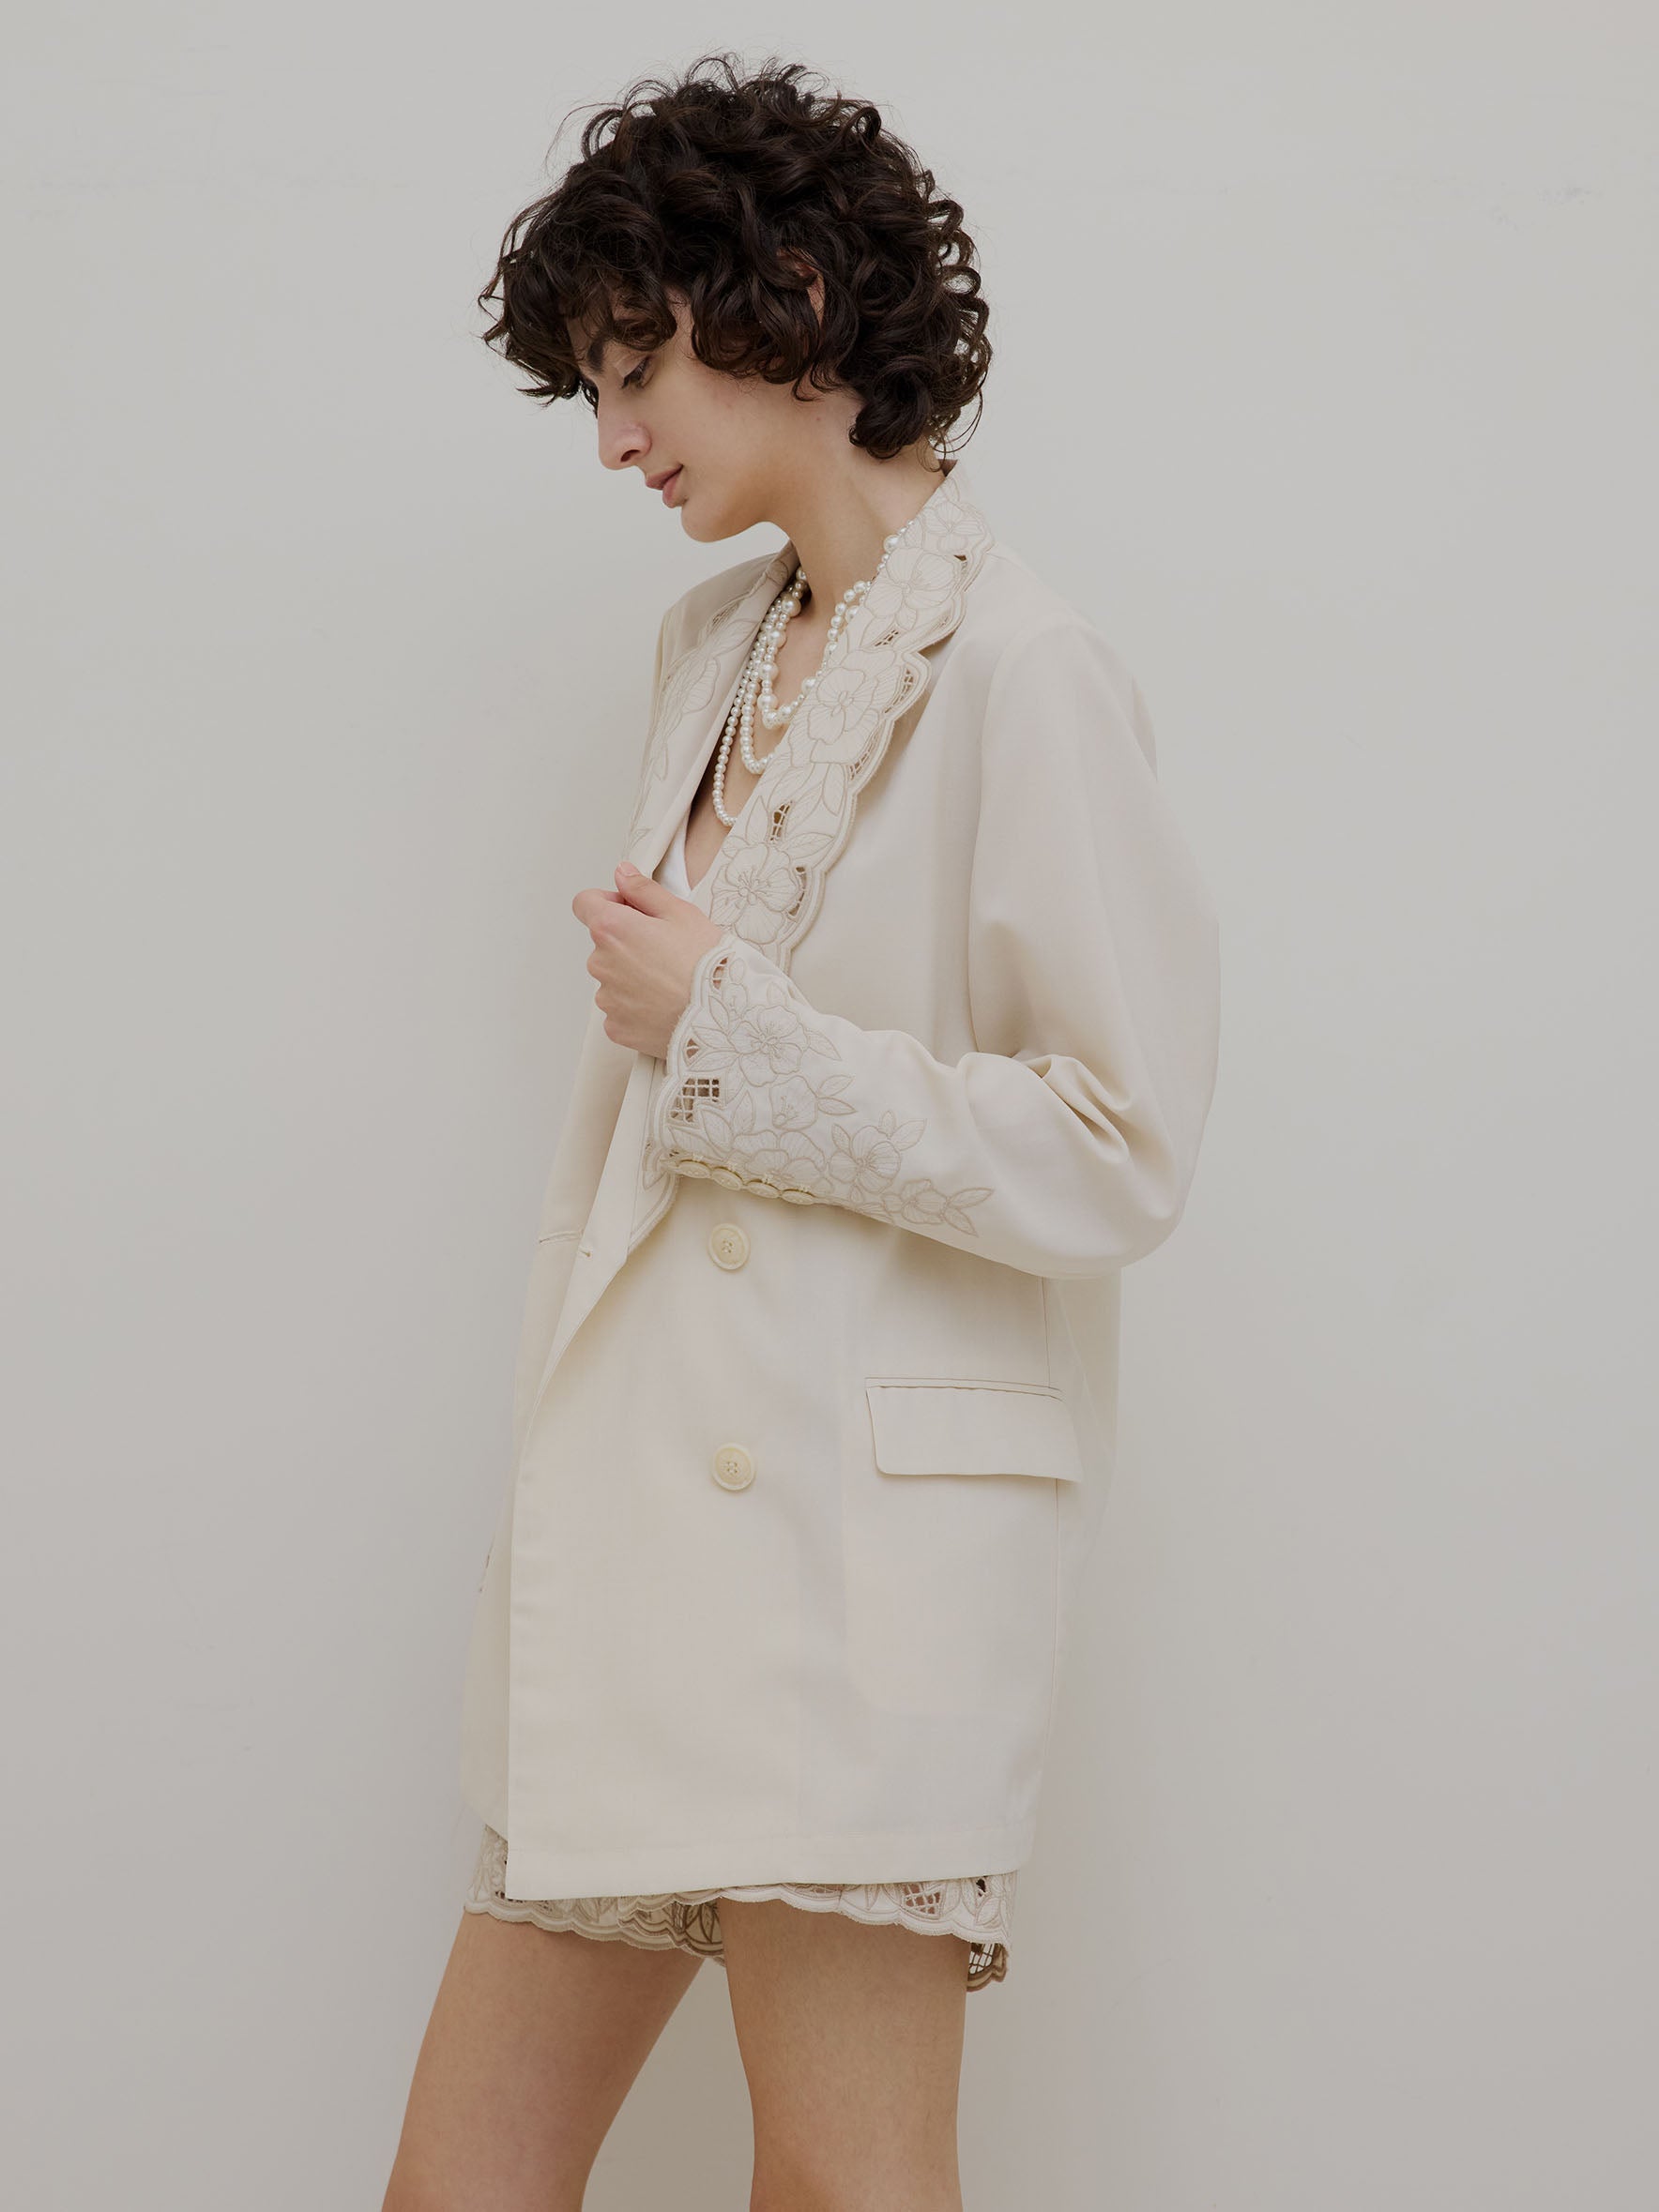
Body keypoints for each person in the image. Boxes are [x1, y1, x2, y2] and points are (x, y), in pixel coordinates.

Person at [384, 51, 1221, 2212]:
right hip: (645, 1547)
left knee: (841, 2189)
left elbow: (1118, 1145)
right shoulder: (712, 646)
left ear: (796, 301)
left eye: (632, 365)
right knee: (459, 2182)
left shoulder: (1026, 667)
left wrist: (731, 1038)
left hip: (857, 1584)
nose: (611, 437)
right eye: (588, 385)